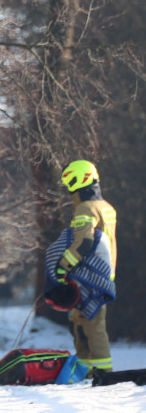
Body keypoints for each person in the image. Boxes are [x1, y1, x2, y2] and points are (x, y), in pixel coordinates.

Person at [57, 159, 117, 374]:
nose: (68, 191)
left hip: (88, 277)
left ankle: (102, 375)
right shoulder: (106, 207)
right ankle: (85, 372)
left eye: (69, 185)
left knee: (91, 327)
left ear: (77, 181)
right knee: (82, 323)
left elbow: (84, 242)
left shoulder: (85, 208)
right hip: (105, 276)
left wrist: (63, 266)